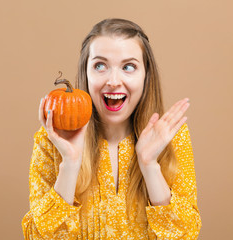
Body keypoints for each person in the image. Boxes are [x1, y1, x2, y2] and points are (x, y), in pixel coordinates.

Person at [21, 18, 202, 239]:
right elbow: (37, 237)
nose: (114, 81)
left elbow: (186, 235)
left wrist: (150, 166)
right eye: (100, 66)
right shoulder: (52, 140)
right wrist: (69, 165)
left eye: (129, 67)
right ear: (85, 74)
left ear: (146, 75)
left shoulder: (172, 138)